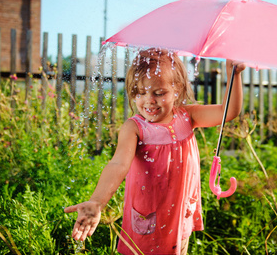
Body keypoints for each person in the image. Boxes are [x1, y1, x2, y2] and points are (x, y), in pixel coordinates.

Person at [64, 48, 245, 255]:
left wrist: (234, 75)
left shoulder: (187, 116)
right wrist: (97, 201)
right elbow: (118, 164)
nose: (149, 100)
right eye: (140, 93)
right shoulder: (135, 128)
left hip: (179, 211)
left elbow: (227, 112)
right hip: (147, 214)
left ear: (176, 88)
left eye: (159, 93)